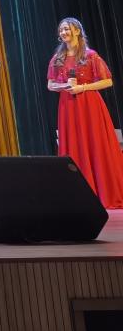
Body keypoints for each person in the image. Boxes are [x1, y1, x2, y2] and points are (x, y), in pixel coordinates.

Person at [47, 18, 123, 209]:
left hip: (90, 105)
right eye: (61, 30)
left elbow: (107, 81)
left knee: (95, 144)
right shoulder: (57, 58)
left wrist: (83, 87)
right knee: (74, 145)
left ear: (77, 31)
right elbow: (50, 85)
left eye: (67, 29)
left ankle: (104, 192)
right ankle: (79, 195)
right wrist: (64, 86)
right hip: (68, 107)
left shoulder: (90, 55)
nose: (63, 32)